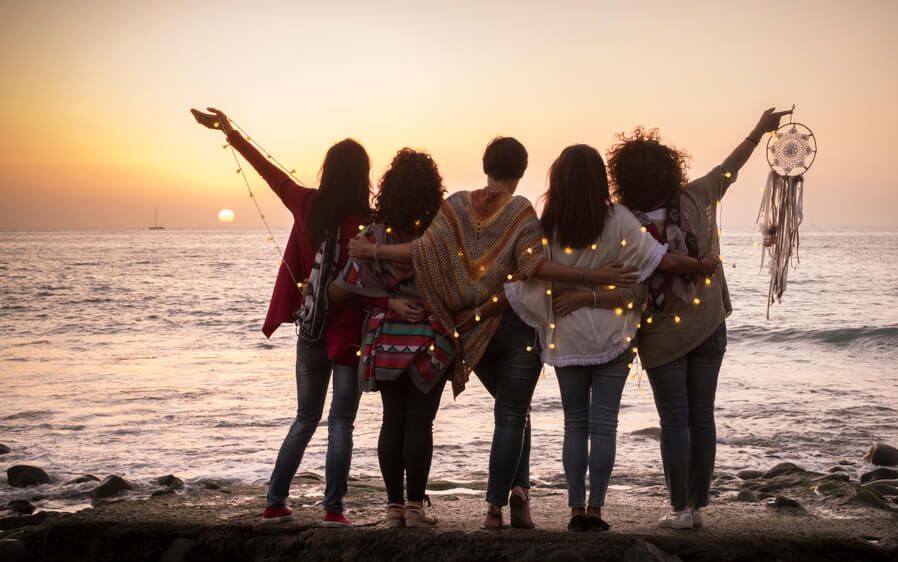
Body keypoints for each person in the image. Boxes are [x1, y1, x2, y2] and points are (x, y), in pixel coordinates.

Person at [348, 137, 639, 530]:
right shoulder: (521, 211)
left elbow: (423, 252)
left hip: (473, 329)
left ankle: (495, 509)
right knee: (513, 414)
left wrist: (375, 252)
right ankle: (508, 499)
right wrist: (591, 276)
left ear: (486, 164)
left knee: (509, 414)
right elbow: (532, 267)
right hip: (515, 324)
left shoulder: (456, 207)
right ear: (521, 171)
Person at [506, 145, 719, 531]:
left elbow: (530, 272)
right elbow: (661, 260)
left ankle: (574, 511)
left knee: (575, 424)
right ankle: (596, 511)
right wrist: (700, 265)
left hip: (567, 335)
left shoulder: (547, 224)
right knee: (604, 424)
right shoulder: (618, 218)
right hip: (614, 334)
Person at [606, 107, 790, 529]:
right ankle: (699, 506)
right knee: (701, 415)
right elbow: (731, 168)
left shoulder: (620, 222)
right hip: (709, 324)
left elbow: (624, 276)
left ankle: (680, 509)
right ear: (669, 169)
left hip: (659, 335)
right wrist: (760, 129)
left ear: (624, 177)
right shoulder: (694, 197)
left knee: (674, 419)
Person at [191, 107, 370, 527]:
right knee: (341, 420)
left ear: (328, 171)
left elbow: (268, 172)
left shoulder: (307, 203)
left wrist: (231, 132)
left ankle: (275, 500)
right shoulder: (367, 222)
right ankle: (333, 510)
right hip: (348, 335)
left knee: (306, 418)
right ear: (362, 176)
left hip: (311, 327)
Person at [330, 149, 449, 529]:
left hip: (384, 340)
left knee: (392, 420)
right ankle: (415, 508)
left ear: (388, 190)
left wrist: (384, 300)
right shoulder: (439, 235)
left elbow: (339, 290)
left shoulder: (372, 237)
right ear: (432, 191)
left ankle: (393, 509)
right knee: (420, 423)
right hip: (430, 338)